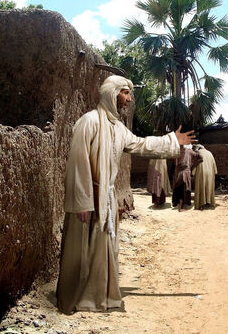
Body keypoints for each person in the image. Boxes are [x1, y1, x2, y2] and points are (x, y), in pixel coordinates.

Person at [56, 75, 195, 314]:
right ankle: (76, 297)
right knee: (82, 249)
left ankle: (99, 296)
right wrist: (82, 201)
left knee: (104, 246)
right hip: (88, 199)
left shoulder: (118, 128)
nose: (129, 100)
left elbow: (141, 145)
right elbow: (78, 164)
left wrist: (173, 140)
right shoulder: (88, 122)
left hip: (106, 199)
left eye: (129, 94)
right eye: (125, 93)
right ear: (112, 93)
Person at [171, 144, 202, 211]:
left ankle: (177, 203)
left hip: (177, 172)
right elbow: (200, 158)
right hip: (186, 172)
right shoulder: (190, 151)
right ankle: (181, 207)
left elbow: (174, 161)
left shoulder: (178, 150)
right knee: (184, 188)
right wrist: (193, 166)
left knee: (178, 187)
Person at [192, 144, 217, 210]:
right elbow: (214, 164)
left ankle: (201, 204)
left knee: (201, 187)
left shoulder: (198, 153)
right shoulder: (209, 153)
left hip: (201, 172)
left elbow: (196, 163)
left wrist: (193, 172)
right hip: (210, 173)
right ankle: (208, 202)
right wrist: (214, 172)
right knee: (209, 187)